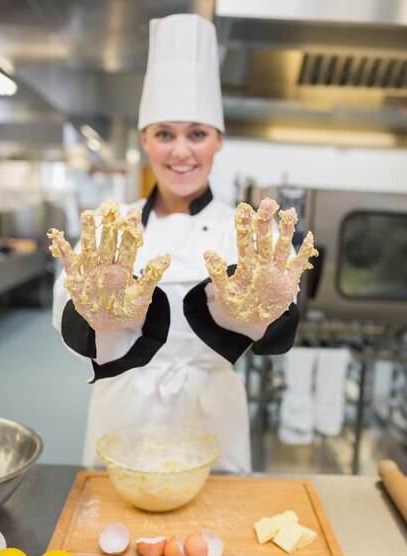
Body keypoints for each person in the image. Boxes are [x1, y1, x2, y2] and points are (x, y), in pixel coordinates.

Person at [49, 14, 317, 473]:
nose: (180, 152)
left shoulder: (249, 232)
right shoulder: (111, 228)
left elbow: (279, 316)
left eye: (196, 134)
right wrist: (99, 319)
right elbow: (65, 306)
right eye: (165, 134)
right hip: (123, 407)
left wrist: (252, 315)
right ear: (145, 141)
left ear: (218, 141)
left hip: (212, 413)